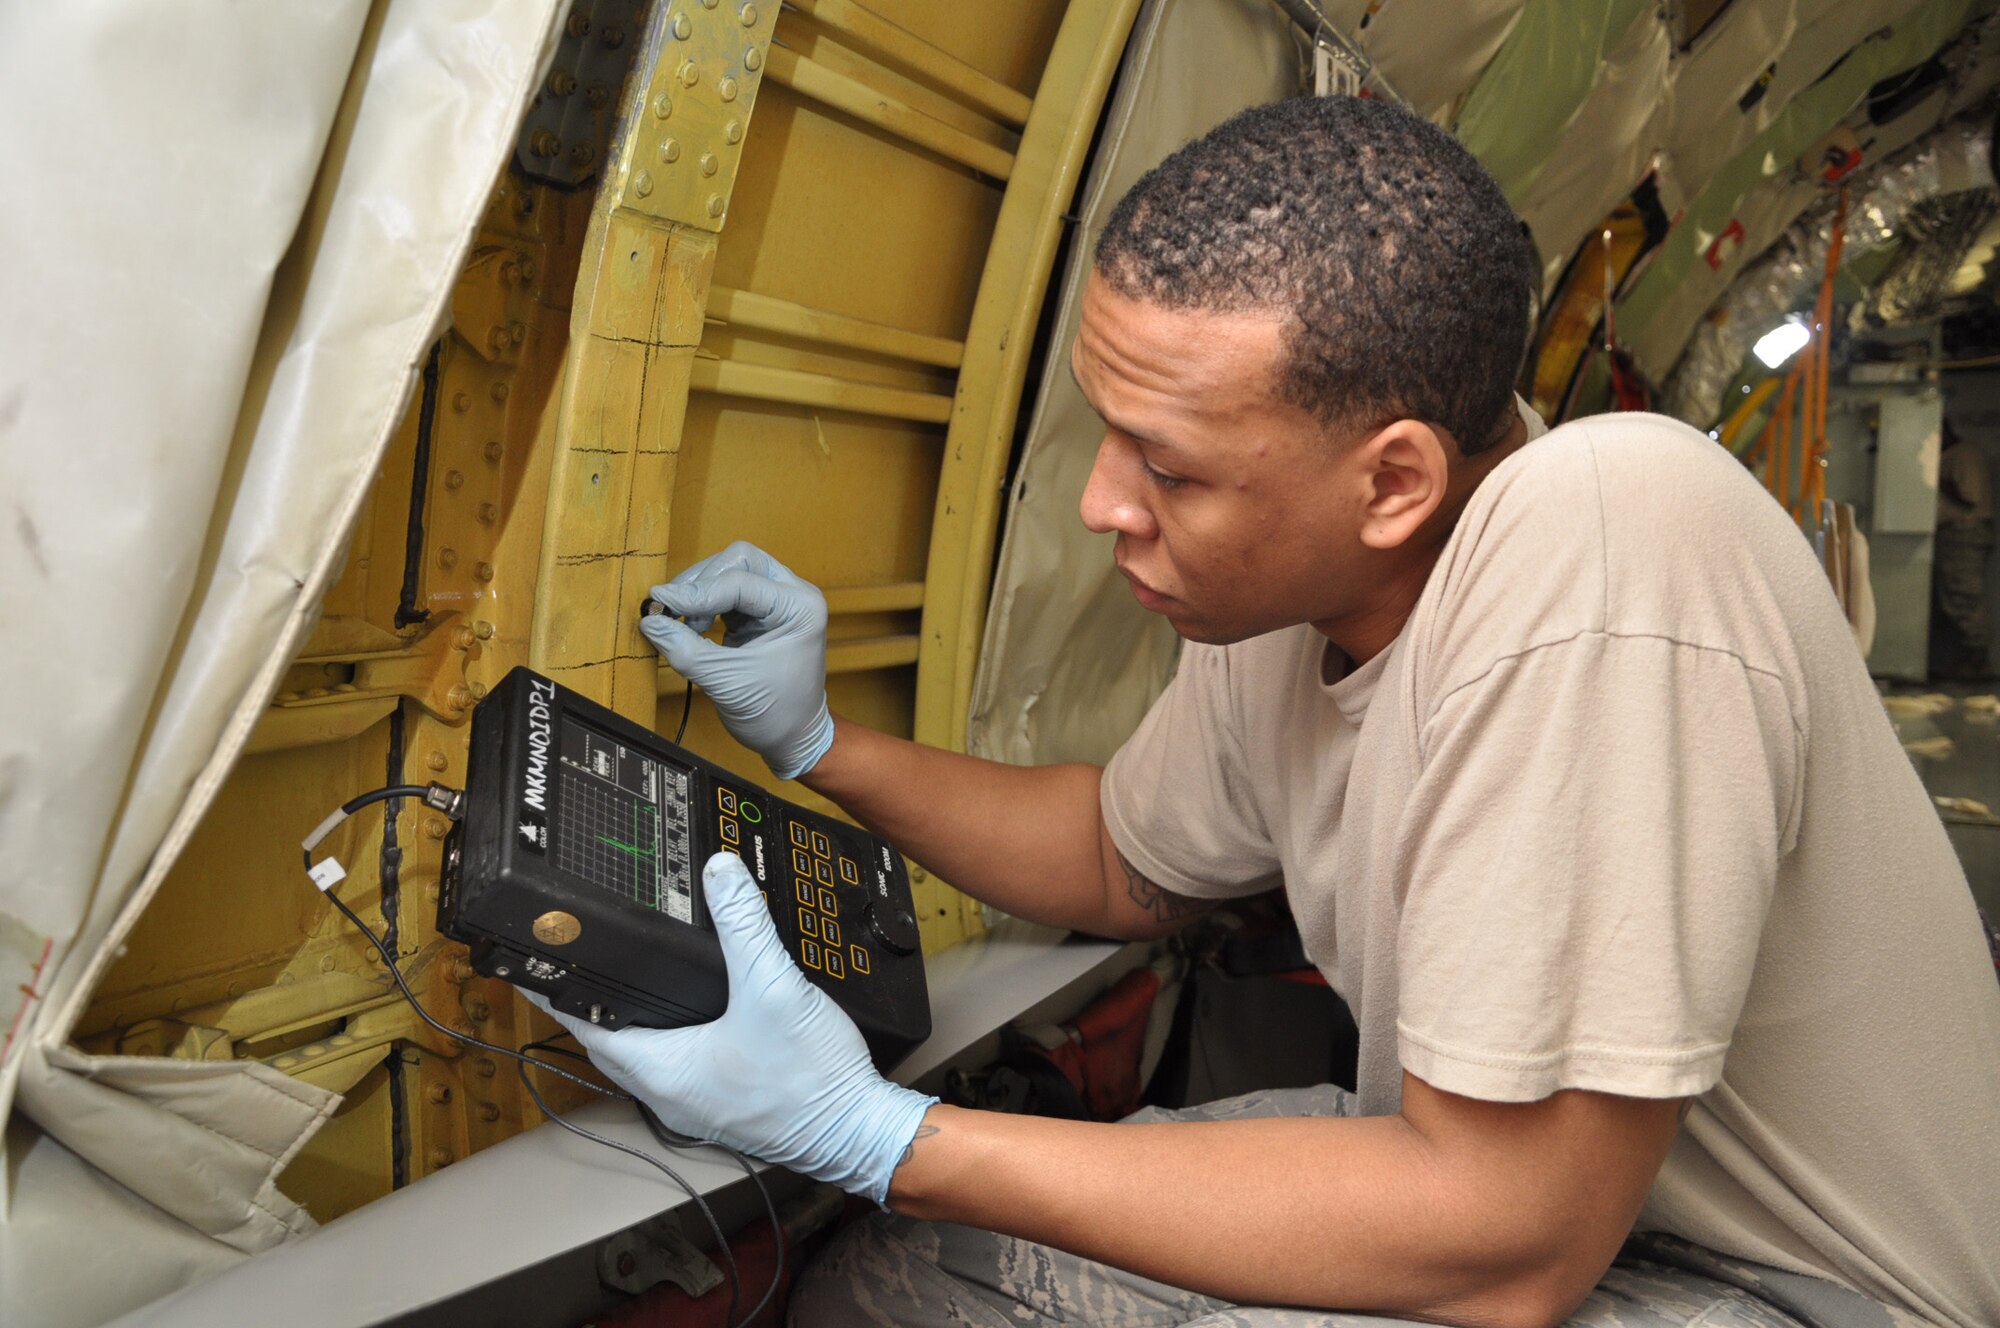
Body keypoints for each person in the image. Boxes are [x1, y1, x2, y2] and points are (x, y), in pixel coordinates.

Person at [537, 98, 2000, 1328]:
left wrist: (882, 1135)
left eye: (1169, 469)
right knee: (903, 1286)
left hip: (1796, 1289)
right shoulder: (1287, 594)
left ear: (1393, 484)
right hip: (1532, 1211)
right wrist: (819, 743)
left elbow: (1508, 1242)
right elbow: (1120, 860)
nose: (1108, 505)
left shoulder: (1611, 533)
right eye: (1106, 436)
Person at [1931, 422, 1994, 680]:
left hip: (1964, 533)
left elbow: (1970, 496)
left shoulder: (1964, 455)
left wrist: (1935, 477)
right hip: (1955, 533)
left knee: (1964, 596)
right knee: (1952, 597)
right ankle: (1966, 662)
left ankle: (1977, 662)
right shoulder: (1958, 454)